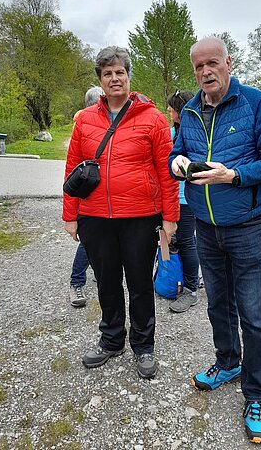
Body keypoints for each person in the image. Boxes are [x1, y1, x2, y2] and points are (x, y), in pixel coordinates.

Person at [169, 37, 261, 443]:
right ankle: (227, 363)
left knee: (255, 316)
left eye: (212, 64)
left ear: (228, 63)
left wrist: (233, 175)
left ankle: (256, 394)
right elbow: (177, 152)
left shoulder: (256, 103)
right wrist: (178, 163)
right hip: (205, 227)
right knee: (218, 305)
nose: (205, 72)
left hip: (249, 227)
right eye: (198, 67)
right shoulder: (188, 110)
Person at [63, 46, 179, 379]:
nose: (115, 78)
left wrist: (170, 218)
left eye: (120, 72)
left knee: (141, 283)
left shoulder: (153, 118)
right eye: (107, 73)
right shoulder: (85, 120)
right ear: (100, 80)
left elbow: (166, 171)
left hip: (141, 217)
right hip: (95, 217)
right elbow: (73, 170)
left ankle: (143, 346)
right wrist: (70, 214)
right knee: (108, 283)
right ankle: (111, 339)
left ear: (128, 76)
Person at [69, 86, 103, 308]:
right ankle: (76, 282)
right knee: (89, 241)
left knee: (103, 241)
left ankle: (100, 274)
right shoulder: (84, 121)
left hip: (102, 194)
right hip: (88, 192)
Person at [166, 90, 200, 313]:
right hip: (169, 195)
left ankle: (191, 289)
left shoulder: (194, 133)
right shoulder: (170, 132)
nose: (168, 111)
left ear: (180, 111)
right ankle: (171, 277)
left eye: (171, 108)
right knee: (172, 240)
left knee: (186, 241)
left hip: (187, 198)